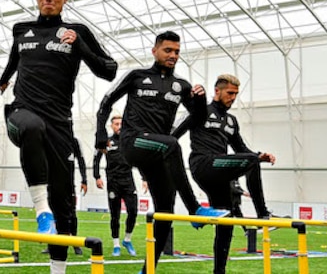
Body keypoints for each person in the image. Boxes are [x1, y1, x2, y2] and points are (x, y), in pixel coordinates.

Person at [0, 0, 117, 274]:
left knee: (64, 202)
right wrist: (4, 80)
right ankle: (40, 210)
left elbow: (109, 70)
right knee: (31, 126)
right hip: (20, 115)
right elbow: (15, 58)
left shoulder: (77, 31)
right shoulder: (21, 29)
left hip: (60, 126)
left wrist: (79, 45)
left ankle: (57, 270)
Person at [95, 31, 228, 273]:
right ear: (154, 51)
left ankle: (148, 270)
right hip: (133, 143)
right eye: (168, 50)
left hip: (157, 150)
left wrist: (199, 101)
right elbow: (106, 101)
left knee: (165, 208)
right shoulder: (137, 76)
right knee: (171, 144)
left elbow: (197, 119)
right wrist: (100, 134)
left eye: (177, 51)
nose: (173, 55)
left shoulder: (182, 86)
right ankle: (195, 207)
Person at [171, 74, 277, 274]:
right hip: (202, 165)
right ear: (217, 91)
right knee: (251, 160)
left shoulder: (231, 120)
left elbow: (241, 149)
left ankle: (219, 271)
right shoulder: (201, 111)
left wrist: (259, 155)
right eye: (229, 93)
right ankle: (263, 214)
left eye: (236, 94)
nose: (233, 97)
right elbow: (174, 134)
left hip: (220, 173)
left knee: (226, 221)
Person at [92, 115, 138, 257]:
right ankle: (116, 244)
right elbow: (96, 159)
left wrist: (145, 178)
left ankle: (127, 240)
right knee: (115, 215)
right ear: (112, 126)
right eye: (116, 124)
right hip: (113, 182)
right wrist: (97, 177)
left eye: (121, 124)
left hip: (128, 181)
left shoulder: (129, 141)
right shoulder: (106, 142)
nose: (119, 126)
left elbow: (140, 158)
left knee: (133, 210)